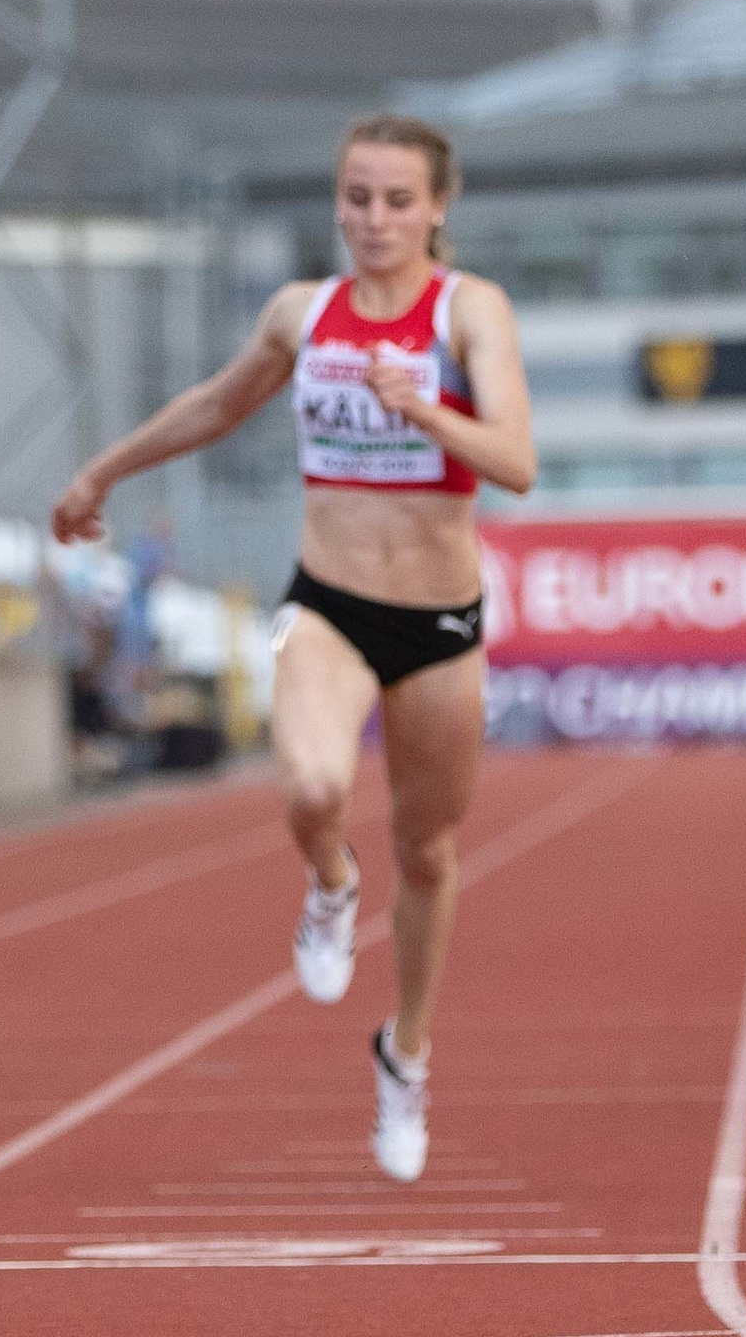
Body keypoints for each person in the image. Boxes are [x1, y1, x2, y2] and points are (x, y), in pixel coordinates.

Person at [51, 113, 535, 1184]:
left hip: (442, 623)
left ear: (437, 208)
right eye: (358, 198)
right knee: (312, 787)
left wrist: (426, 411)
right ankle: (326, 880)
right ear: (336, 202)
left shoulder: (468, 312)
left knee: (429, 853)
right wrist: (102, 473)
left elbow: (516, 460)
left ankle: (403, 1051)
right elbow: (219, 405)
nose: (375, 219)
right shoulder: (300, 312)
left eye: (398, 201)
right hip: (328, 601)